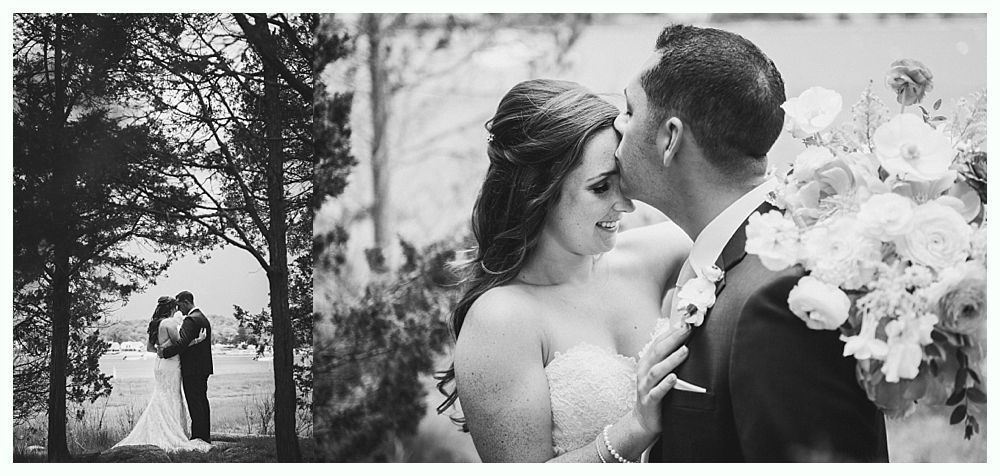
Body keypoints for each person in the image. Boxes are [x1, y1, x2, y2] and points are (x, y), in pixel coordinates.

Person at [613, 24, 888, 462]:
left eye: (628, 110)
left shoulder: (779, 298)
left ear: (670, 138)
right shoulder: (741, 256)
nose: (617, 124)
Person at [435, 79, 693, 462]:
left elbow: (741, 219)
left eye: (622, 181)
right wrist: (635, 428)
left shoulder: (649, 258)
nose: (627, 205)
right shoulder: (500, 321)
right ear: (538, 192)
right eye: (601, 188)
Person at [113, 296, 210, 452]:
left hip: (159, 364)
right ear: (172, 308)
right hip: (171, 364)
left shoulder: (155, 324)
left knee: (161, 395)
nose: (178, 310)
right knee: (172, 395)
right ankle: (171, 432)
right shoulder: (170, 323)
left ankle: (157, 429)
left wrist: (161, 349)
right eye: (176, 307)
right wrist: (198, 340)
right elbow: (181, 345)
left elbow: (150, 349)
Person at [160, 290, 214, 443]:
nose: (178, 309)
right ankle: (204, 435)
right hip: (203, 367)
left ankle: (198, 437)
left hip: (192, 368)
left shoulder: (191, 320)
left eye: (179, 305)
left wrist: (165, 353)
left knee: (195, 402)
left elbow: (181, 343)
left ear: (185, 302)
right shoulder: (202, 317)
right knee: (202, 401)